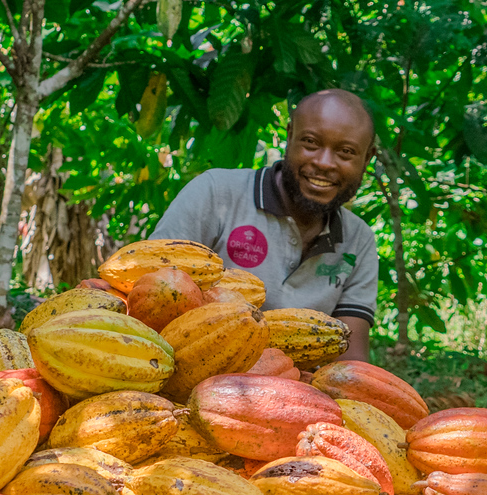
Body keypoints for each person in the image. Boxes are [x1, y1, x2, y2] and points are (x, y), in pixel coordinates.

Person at [151, 89, 377, 364]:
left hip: (295, 384)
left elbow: (351, 362)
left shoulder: (358, 239)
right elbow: (152, 292)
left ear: (367, 159)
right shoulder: (215, 193)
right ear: (290, 136)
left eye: (345, 152)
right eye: (310, 143)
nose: (324, 162)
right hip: (192, 367)